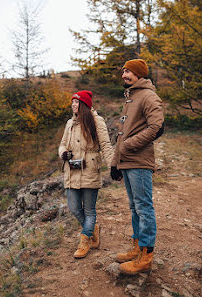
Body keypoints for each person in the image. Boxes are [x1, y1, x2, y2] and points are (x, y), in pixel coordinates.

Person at [110, 59, 164, 274]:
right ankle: (136, 247)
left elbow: (157, 127)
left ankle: (146, 256)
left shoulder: (148, 96)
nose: (124, 75)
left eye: (129, 71)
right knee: (134, 207)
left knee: (143, 207)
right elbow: (121, 135)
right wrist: (115, 163)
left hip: (140, 161)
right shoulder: (131, 97)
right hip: (128, 162)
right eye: (123, 71)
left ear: (139, 75)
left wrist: (130, 144)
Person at [59, 90, 114, 259]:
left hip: (90, 169)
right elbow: (62, 144)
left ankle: (85, 241)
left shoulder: (97, 121)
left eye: (76, 102)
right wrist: (63, 154)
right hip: (71, 171)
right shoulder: (70, 123)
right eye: (72, 102)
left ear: (83, 105)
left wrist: (113, 166)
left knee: (89, 211)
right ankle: (92, 229)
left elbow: (105, 145)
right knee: (75, 208)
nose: (73, 105)